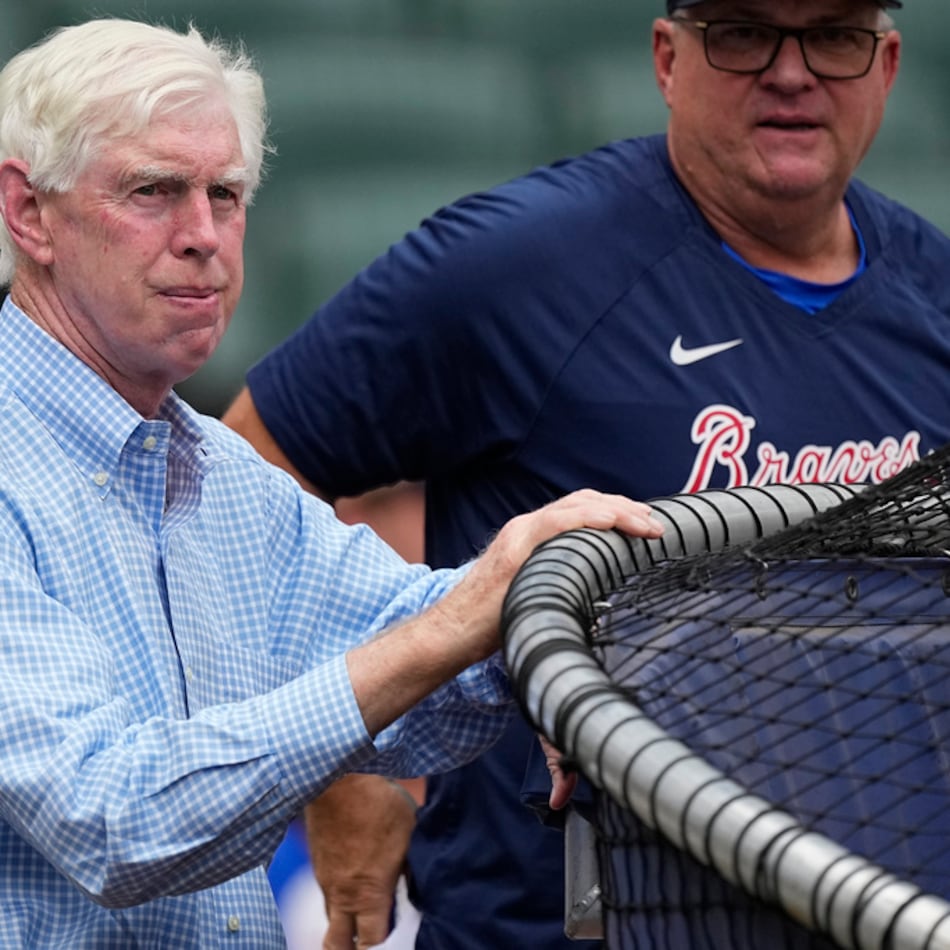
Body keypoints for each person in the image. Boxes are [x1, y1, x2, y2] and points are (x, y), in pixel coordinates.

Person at [224, 0, 950, 946]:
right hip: (552, 919)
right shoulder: (518, 263)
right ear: (667, 58)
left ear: (887, 66)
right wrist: (341, 759)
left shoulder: (933, 297)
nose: (791, 72)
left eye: (835, 37)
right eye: (741, 33)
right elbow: (244, 471)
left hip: (857, 907)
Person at [0, 18, 661, 949]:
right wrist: (466, 617)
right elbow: (115, 822)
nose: (204, 236)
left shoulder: (222, 476)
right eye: (153, 191)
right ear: (28, 213)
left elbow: (429, 669)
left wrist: (552, 632)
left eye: (226, 195)